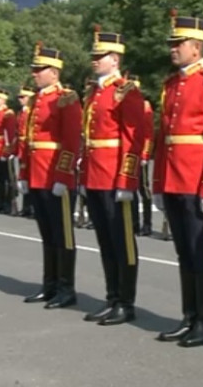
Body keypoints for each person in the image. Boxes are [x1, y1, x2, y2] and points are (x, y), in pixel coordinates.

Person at [152, 10, 203, 347]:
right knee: (184, 253)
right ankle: (188, 316)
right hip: (174, 180)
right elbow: (164, 138)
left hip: (197, 181)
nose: (172, 48)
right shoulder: (172, 84)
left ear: (196, 48)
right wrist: (158, 183)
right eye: (172, 43)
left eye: (178, 43)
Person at [79, 28, 145, 325]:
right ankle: (112, 296)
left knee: (122, 242)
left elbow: (134, 138)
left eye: (100, 56)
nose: (94, 60)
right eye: (93, 55)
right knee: (105, 241)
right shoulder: (94, 92)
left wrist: (127, 181)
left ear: (115, 59)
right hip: (94, 175)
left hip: (114, 176)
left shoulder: (126, 91)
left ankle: (126, 301)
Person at [20, 42, 82, 309]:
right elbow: (28, 140)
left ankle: (66, 288)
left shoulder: (66, 98)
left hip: (54, 173)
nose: (34, 73)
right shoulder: (36, 99)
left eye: (39, 69)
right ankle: (50, 284)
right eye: (34, 69)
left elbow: (71, 140)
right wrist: (23, 172)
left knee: (62, 234)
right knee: (47, 234)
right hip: (36, 173)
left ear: (54, 72)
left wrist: (63, 175)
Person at [132, 76, 154, 237]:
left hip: (140, 153)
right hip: (129, 153)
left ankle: (147, 223)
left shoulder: (144, 106)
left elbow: (148, 134)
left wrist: (145, 154)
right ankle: (133, 223)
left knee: (143, 189)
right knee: (129, 189)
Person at [16, 86, 35, 218]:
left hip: (28, 147)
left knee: (30, 177)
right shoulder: (22, 112)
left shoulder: (30, 112)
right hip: (21, 147)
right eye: (20, 97)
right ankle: (26, 206)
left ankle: (31, 206)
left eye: (23, 97)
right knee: (23, 178)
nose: (20, 99)